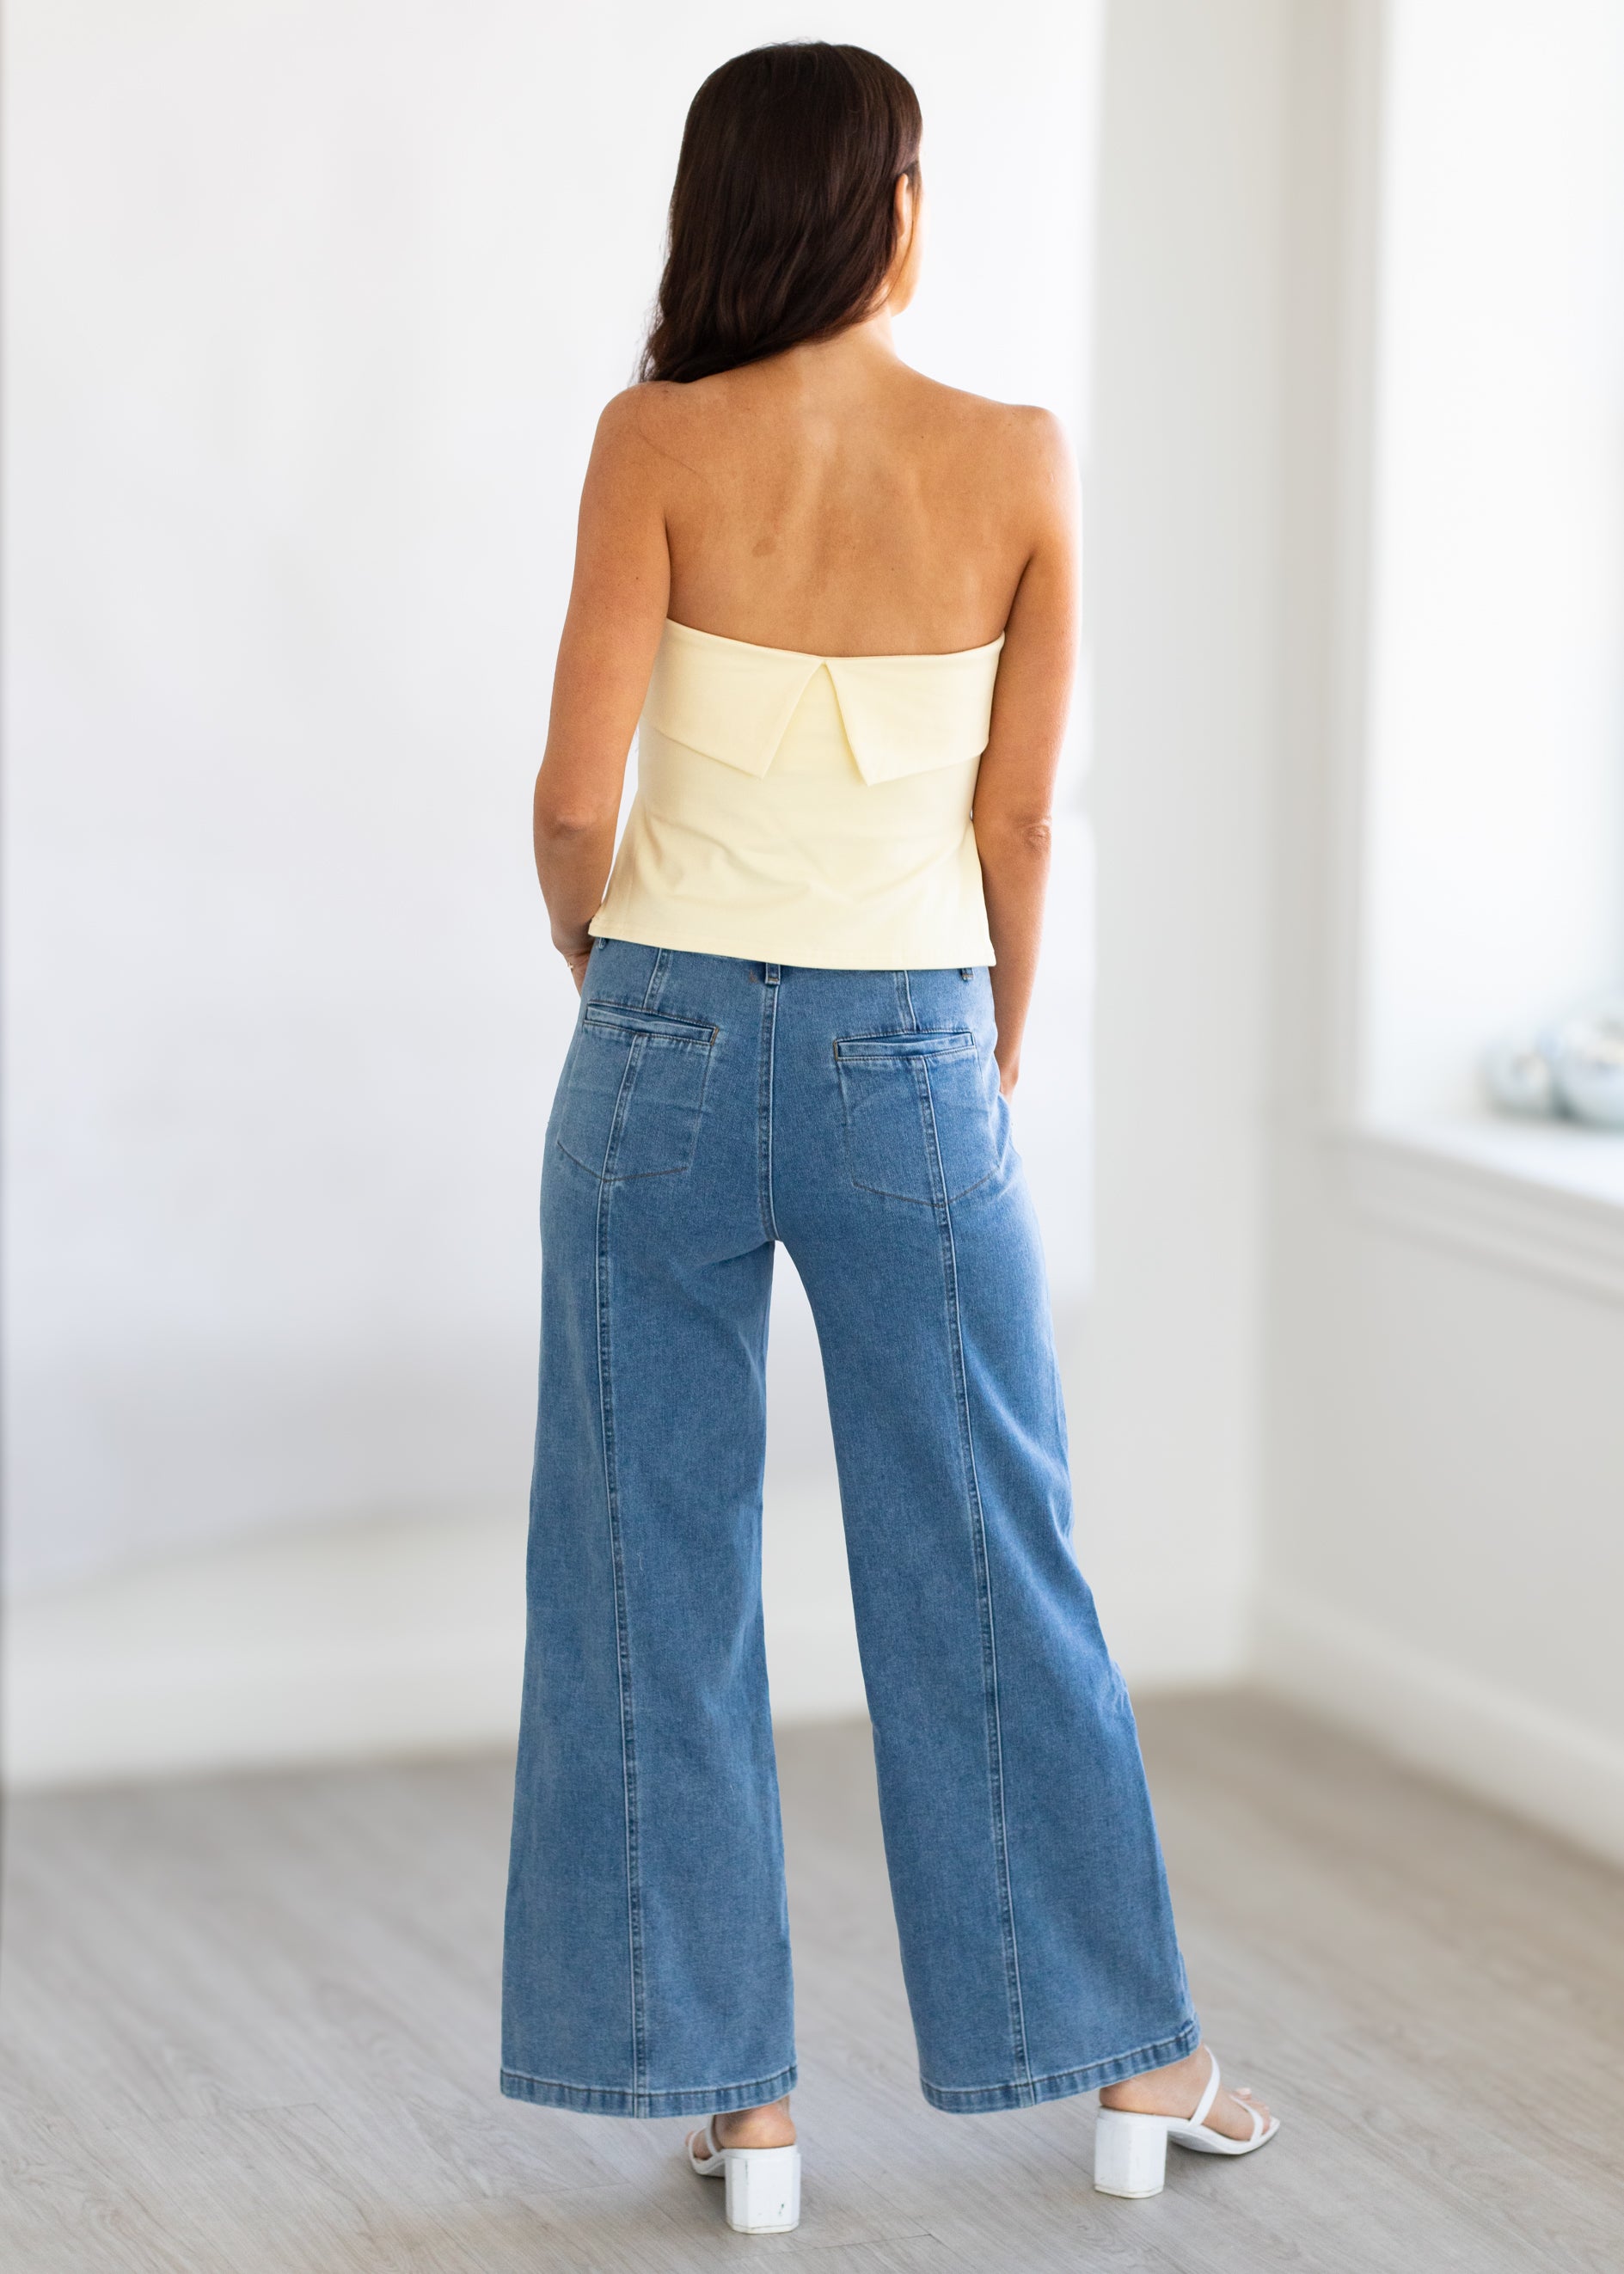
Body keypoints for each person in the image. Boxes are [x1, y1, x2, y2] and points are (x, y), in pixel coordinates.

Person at [501, 40, 1278, 2235]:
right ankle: (1135, 2058)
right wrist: (993, 1046)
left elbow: (574, 802)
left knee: (652, 1574)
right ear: (886, 211)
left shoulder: (650, 441)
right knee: (986, 1554)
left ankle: (735, 2103)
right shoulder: (1016, 458)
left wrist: (612, 974)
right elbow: (1022, 820)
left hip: (652, 1043)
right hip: (911, 1055)